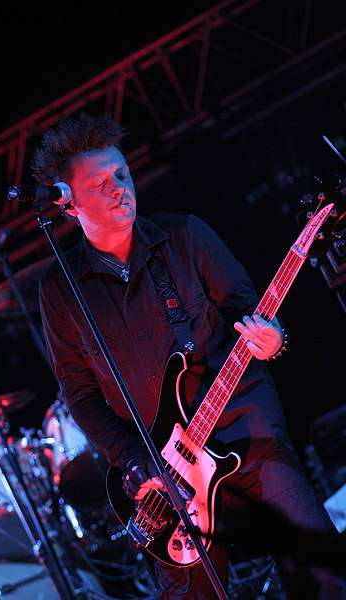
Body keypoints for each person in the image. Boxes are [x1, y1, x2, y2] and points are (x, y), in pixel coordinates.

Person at [35, 113, 345, 598]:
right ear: (69, 205)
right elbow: (79, 393)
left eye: (122, 174)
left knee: (325, 573)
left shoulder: (185, 235)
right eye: (99, 184)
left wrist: (274, 339)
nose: (119, 189)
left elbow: (250, 313)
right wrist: (135, 461)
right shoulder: (61, 290)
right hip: (169, 478)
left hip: (249, 435)